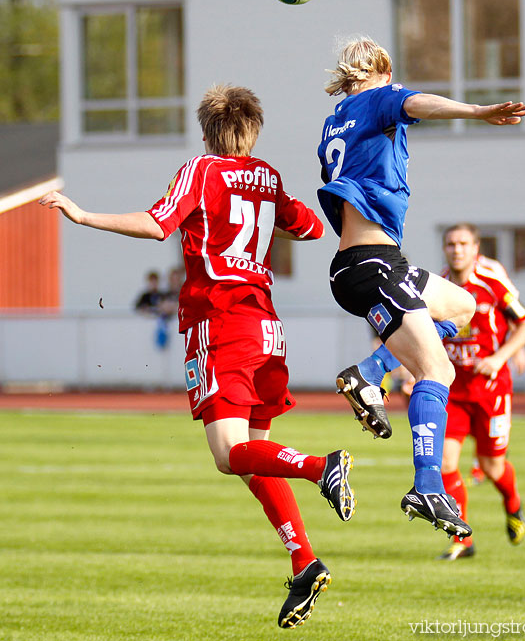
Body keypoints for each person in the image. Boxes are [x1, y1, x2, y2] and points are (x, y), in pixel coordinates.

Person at [40, 84, 356, 629]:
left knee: (228, 455)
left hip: (219, 321)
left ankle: (321, 466)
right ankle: (303, 560)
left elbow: (157, 223)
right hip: (265, 327)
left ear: (208, 129)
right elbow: (304, 226)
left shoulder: (201, 171)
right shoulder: (270, 176)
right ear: (253, 129)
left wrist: (85, 216)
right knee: (255, 454)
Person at [316, 36, 525, 539]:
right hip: (372, 264)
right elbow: (417, 103)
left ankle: (371, 373)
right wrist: (478, 111)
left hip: (367, 263)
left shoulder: (333, 121)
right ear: (382, 71)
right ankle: (427, 484)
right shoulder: (381, 97)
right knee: (437, 370)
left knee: (465, 305)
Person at [438, 223, 525, 560]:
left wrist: (499, 357)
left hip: (491, 392)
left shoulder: (491, 283)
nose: (456, 249)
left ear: (475, 248)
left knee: (492, 468)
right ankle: (462, 538)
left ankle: (513, 503)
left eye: (463, 243)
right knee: (445, 463)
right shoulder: (439, 287)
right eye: (450, 243)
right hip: (453, 391)